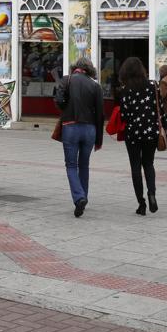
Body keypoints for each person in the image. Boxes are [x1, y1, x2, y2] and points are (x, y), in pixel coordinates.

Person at [54, 56, 104, 218]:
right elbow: (100, 114)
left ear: (74, 67)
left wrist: (66, 107)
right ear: (90, 70)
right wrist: (99, 139)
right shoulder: (96, 86)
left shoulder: (66, 80)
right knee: (84, 165)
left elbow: (59, 100)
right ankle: (84, 196)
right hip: (90, 129)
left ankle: (79, 197)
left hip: (71, 126)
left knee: (71, 165)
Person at [117, 57, 164, 216]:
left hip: (133, 133)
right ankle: (152, 193)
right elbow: (161, 109)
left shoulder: (125, 89)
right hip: (151, 132)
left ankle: (141, 203)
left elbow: (124, 115)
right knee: (149, 163)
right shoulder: (153, 86)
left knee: (135, 166)